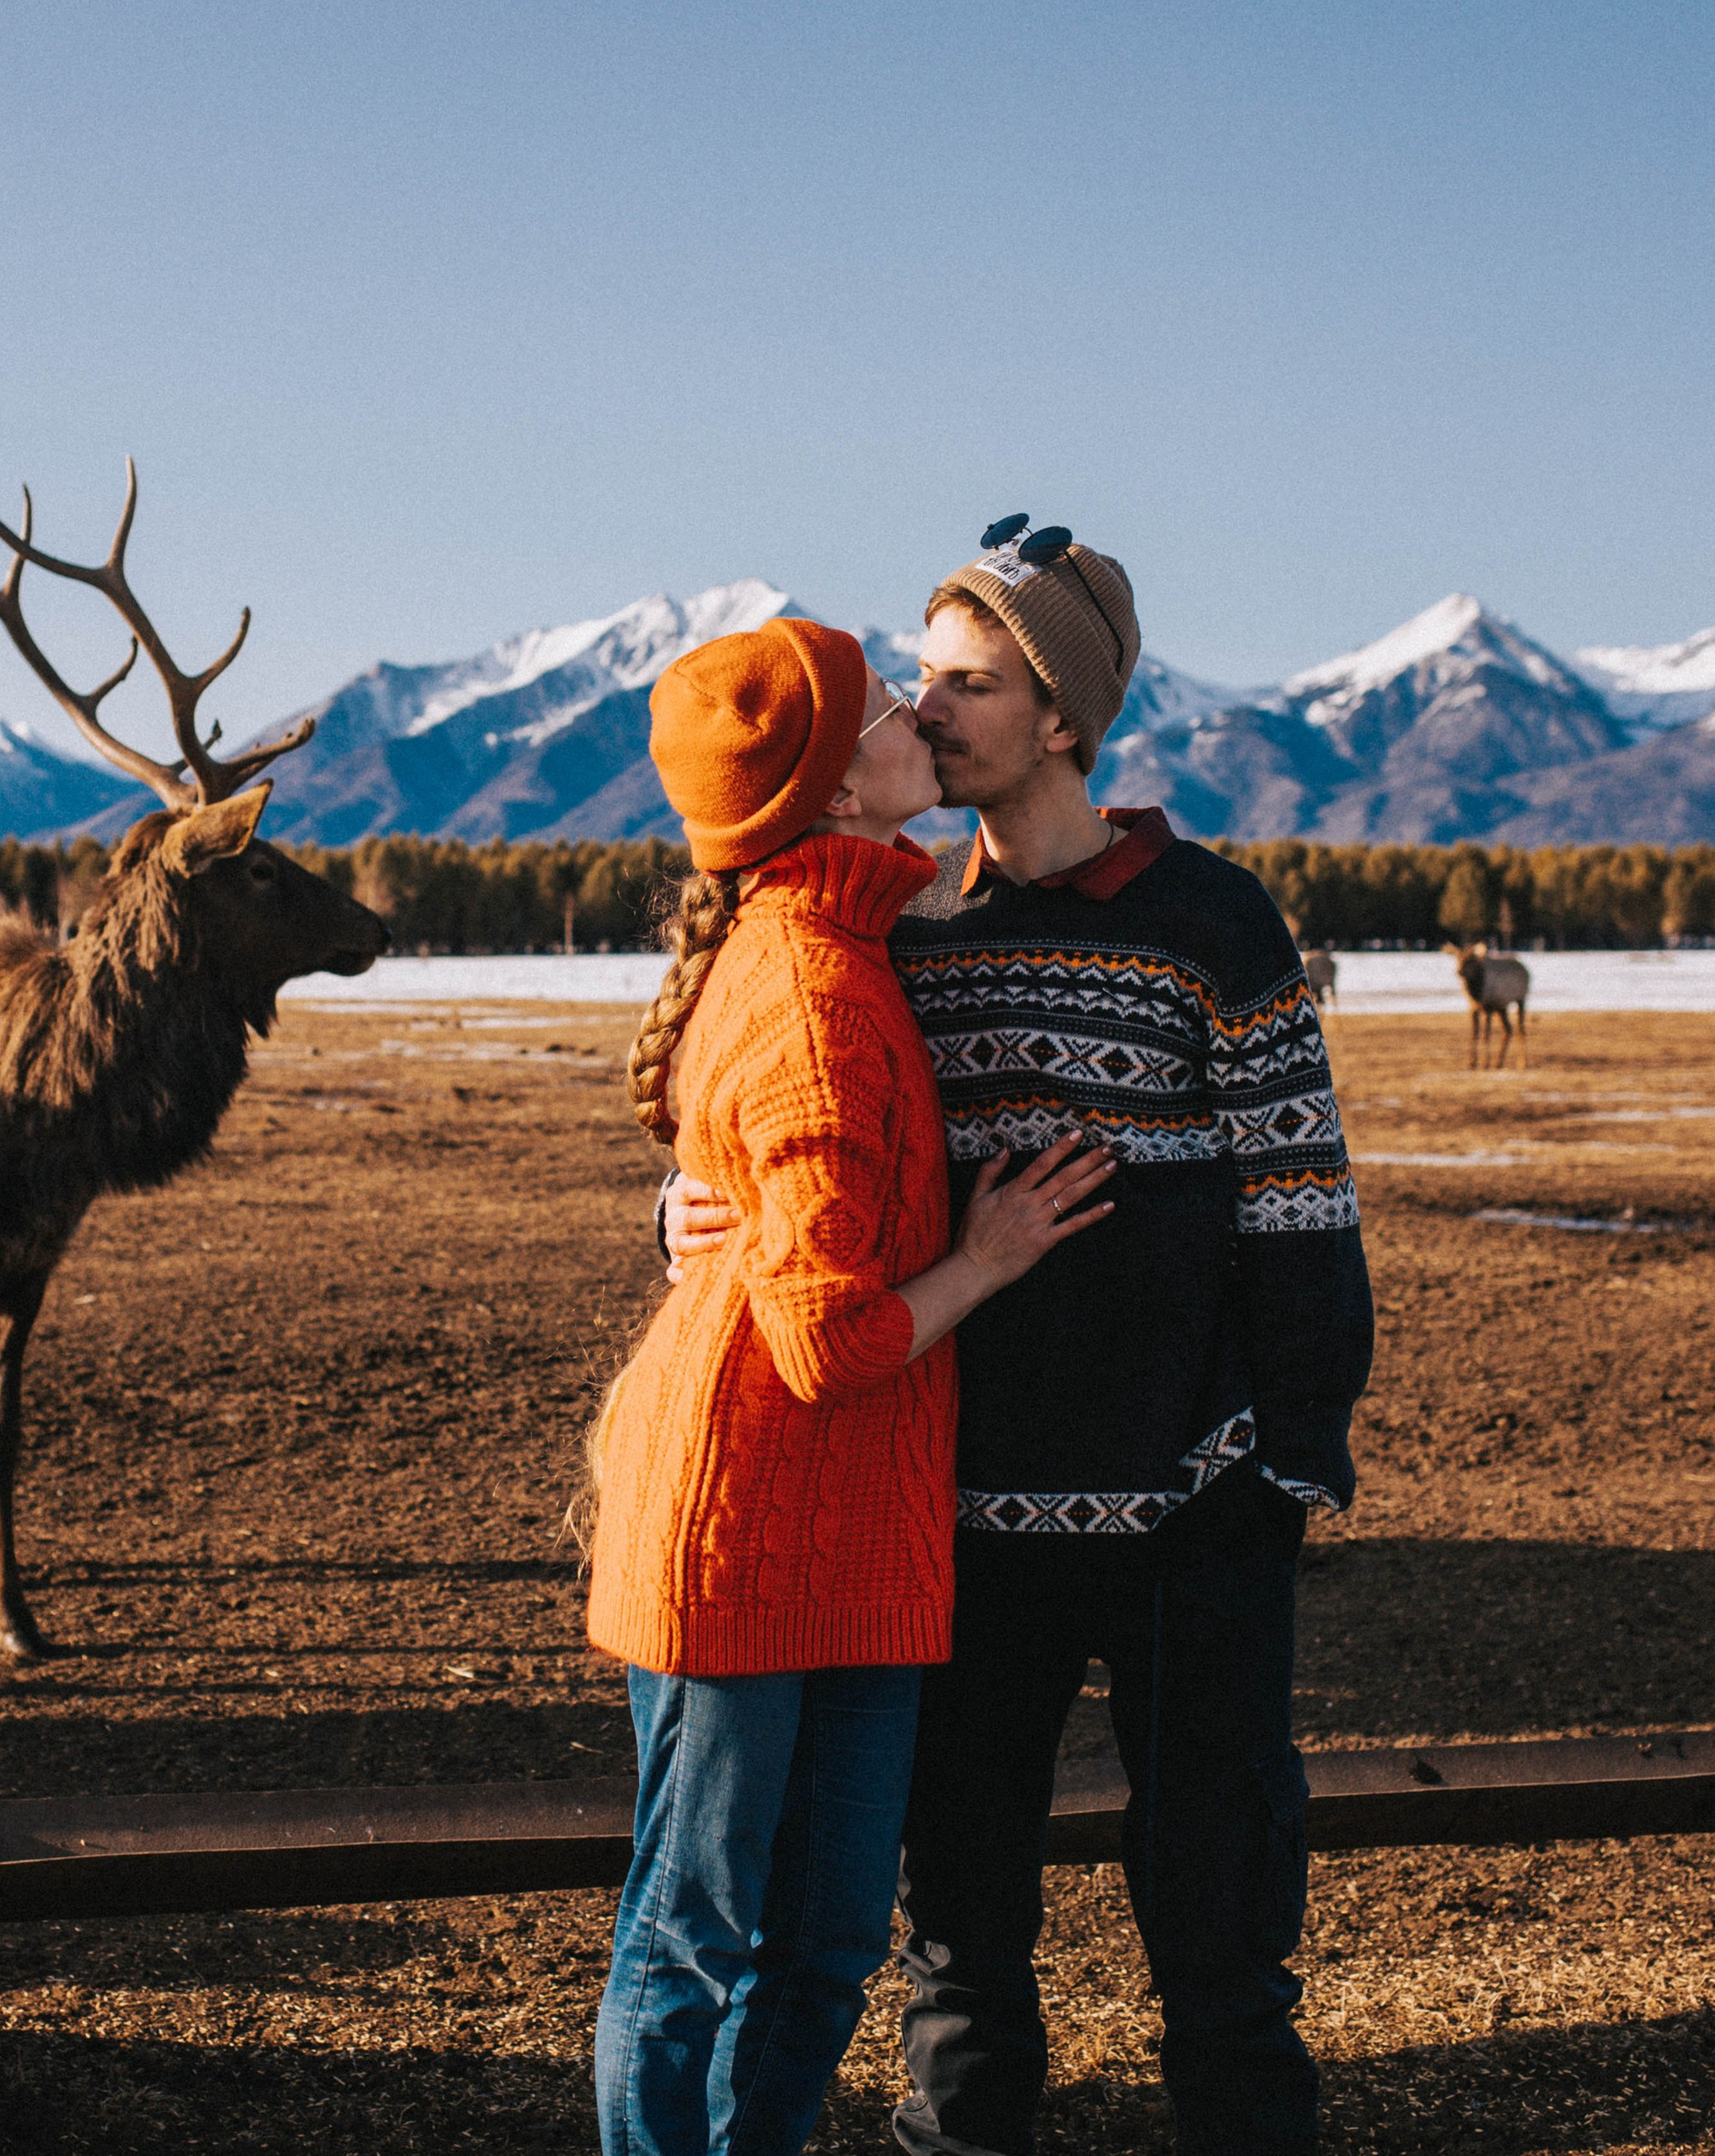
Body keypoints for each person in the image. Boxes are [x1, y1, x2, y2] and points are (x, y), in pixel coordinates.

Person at [664, 523, 1376, 2156]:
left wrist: (1288, 1460)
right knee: (962, 1929)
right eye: (923, 678)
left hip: (1196, 1511)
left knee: (1219, 1918)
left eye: (967, 683)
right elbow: (769, 1106)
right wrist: (685, 1214)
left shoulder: (1214, 924)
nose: (929, 708)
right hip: (956, 1519)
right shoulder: (899, 924)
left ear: (1061, 717)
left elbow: (1299, 1205)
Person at [587, 614, 1115, 2156]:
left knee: (819, 1947)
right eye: (886, 706)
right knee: (694, 1942)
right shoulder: (817, 995)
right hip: (747, 1541)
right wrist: (991, 1256)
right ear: (831, 797)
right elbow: (826, 1345)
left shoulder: (851, 948)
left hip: (858, 1544)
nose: (915, 715)